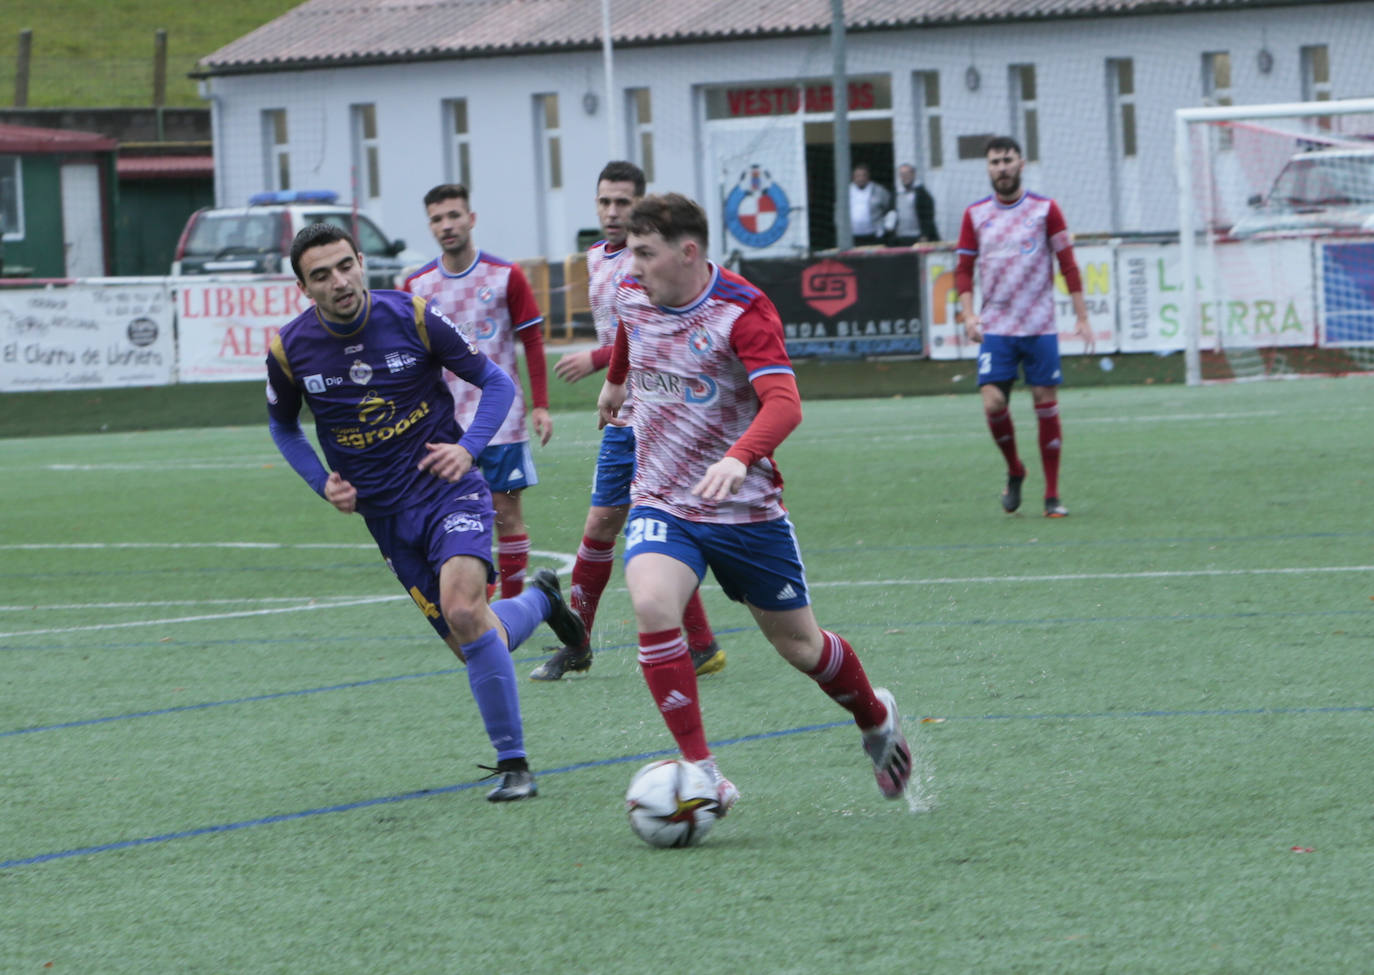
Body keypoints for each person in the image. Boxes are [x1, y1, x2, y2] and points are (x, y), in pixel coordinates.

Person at [595, 192, 912, 812]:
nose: (631, 268)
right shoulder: (634, 294)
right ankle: (703, 771)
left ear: (688, 252)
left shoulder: (743, 311)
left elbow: (785, 404)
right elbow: (631, 334)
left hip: (746, 512)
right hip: (662, 499)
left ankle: (876, 718)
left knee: (802, 648)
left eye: (644, 254)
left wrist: (738, 457)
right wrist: (614, 382)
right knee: (654, 603)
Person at [265, 223, 586, 801]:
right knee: (472, 641)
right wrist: (323, 483)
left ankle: (515, 766)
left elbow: (495, 384)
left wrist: (468, 448)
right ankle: (541, 599)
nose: (339, 281)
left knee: (465, 610)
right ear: (302, 288)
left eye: (345, 265)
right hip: (385, 517)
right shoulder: (289, 349)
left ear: (362, 261)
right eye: (321, 275)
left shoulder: (413, 315)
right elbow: (283, 426)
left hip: (449, 491)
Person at [532, 161, 725, 682]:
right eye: (604, 202)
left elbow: (650, 324)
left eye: (622, 202)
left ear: (639, 205)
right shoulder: (597, 257)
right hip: (627, 412)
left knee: (648, 525)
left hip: (663, 413)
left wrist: (599, 365)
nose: (612, 212)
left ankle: (580, 643)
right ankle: (688, 644)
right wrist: (612, 377)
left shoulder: (653, 260)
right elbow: (622, 327)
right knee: (616, 524)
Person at [404, 184, 552, 598]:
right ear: (430, 226)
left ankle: (510, 605)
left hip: (501, 420)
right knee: (453, 516)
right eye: (437, 218)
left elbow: (533, 342)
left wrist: (540, 405)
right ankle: (477, 597)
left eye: (454, 215)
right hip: (444, 425)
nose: (447, 225)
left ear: (471, 218)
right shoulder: (416, 286)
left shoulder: (506, 276)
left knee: (506, 514)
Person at [956, 135, 1094, 518]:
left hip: (1039, 326)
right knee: (993, 401)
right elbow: (963, 270)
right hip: (997, 327)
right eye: (995, 162)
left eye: (1007, 160)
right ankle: (1015, 468)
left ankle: (1052, 495)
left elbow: (1067, 263)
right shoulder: (975, 215)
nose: (1001, 167)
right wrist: (969, 315)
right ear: (988, 168)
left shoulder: (1045, 210)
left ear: (1022, 163)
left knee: (1045, 404)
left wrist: (1081, 316)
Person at [890, 163, 939, 244]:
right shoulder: (895, 194)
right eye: (902, 174)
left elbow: (928, 217)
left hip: (918, 237)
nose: (905, 176)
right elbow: (891, 213)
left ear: (913, 174)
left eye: (907, 173)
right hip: (901, 237)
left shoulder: (923, 194)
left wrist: (925, 234)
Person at [847, 162, 892, 246]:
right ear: (853, 177)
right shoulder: (846, 191)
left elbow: (889, 207)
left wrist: (886, 226)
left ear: (868, 176)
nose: (861, 178)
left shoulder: (879, 190)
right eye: (858, 176)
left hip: (874, 235)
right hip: (852, 236)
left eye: (863, 175)